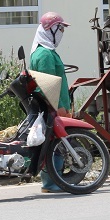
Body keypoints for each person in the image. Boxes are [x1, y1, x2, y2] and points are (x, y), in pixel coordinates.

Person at [30, 11, 71, 193]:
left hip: (55, 106)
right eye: (60, 28)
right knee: (55, 145)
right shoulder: (45, 54)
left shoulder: (45, 51)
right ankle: (52, 183)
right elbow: (48, 86)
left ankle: (52, 182)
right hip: (54, 107)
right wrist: (60, 107)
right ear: (51, 30)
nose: (62, 32)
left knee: (53, 145)